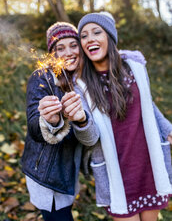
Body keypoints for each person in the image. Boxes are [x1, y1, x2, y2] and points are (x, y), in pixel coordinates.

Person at [76, 12, 172, 221]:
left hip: (148, 165)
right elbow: (90, 137)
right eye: (83, 36)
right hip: (117, 172)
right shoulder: (81, 86)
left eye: (96, 32)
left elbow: (148, 102)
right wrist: (80, 121)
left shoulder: (135, 67)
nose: (89, 39)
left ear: (109, 37)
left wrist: (167, 129)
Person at [21, 22, 99, 221]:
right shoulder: (42, 78)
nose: (68, 52)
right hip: (46, 174)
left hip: (67, 172)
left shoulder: (83, 81)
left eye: (73, 45)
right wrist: (49, 120)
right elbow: (33, 126)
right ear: (52, 54)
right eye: (60, 48)